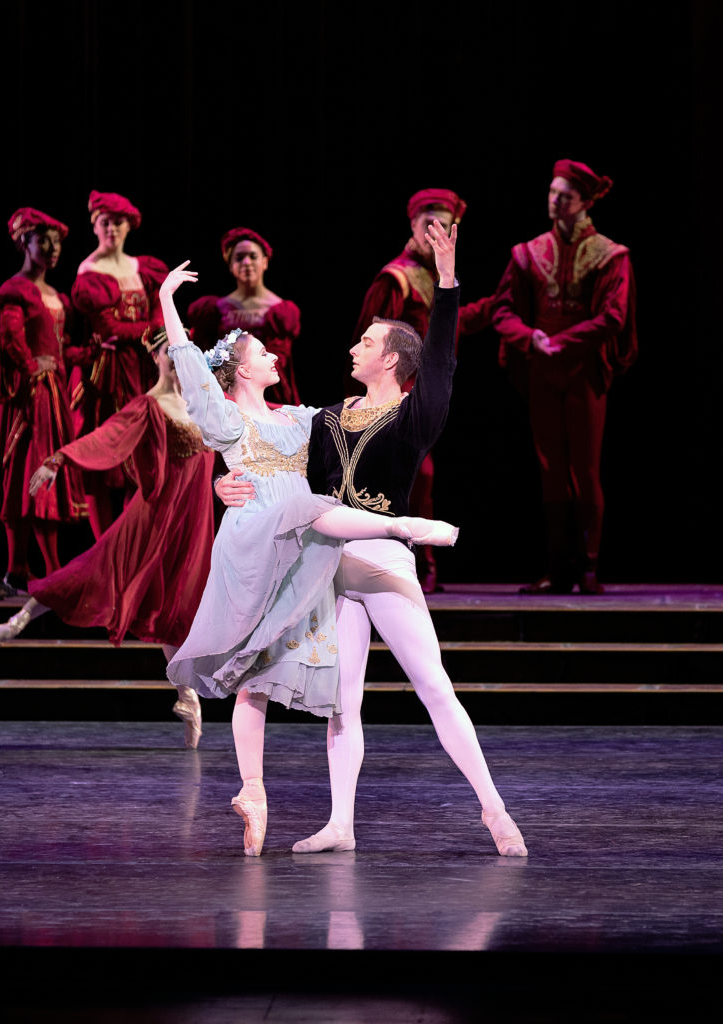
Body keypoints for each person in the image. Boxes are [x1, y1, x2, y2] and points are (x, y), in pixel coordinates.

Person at [218, 219, 528, 858]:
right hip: (330, 563)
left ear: (390, 358)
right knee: (342, 704)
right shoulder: (327, 416)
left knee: (435, 687)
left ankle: (495, 812)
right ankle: (341, 823)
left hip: (385, 561)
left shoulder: (415, 414)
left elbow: (441, 359)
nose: (353, 346)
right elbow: (277, 472)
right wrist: (230, 488)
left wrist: (447, 282)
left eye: (366, 341)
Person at [159, 254, 459, 857]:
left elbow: (341, 434)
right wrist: (167, 301)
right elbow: (191, 371)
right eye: (263, 354)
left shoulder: (300, 420)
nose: (275, 357)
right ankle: (402, 525)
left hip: (299, 550)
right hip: (257, 541)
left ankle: (255, 796)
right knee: (310, 509)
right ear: (240, 371)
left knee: (255, 678)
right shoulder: (225, 419)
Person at [0, 330, 217, 749]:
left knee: (175, 609)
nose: (178, 361)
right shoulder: (148, 406)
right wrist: (59, 459)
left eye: (185, 354)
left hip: (192, 526)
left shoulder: (207, 404)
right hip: (152, 520)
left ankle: (187, 698)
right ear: (156, 357)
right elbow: (107, 438)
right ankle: (16, 623)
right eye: (170, 354)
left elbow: (255, 417)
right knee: (89, 573)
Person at [463, 159, 637, 594]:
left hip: (583, 369)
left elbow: (614, 315)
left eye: (565, 195)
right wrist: (531, 339)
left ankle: (590, 566)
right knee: (551, 467)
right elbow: (503, 309)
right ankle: (560, 568)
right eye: (552, 192)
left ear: (585, 202)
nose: (555, 201)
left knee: (585, 466)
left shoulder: (610, 254)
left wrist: (565, 340)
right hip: (543, 366)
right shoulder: (529, 252)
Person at [349, 188, 467, 593]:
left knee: (423, 476)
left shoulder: (436, 274)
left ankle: (420, 559)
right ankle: (411, 556)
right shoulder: (396, 277)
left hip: (427, 390)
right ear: (413, 227)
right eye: (426, 225)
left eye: (442, 226)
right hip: (397, 394)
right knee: (415, 475)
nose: (433, 233)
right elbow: (370, 335)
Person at [0, 207, 87, 592]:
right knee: (24, 476)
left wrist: (83, 354)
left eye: (56, 241)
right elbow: (10, 338)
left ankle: (37, 567)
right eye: (42, 240)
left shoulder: (55, 295)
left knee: (46, 475)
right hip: (29, 397)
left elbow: (58, 348)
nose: (51, 247)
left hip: (53, 395)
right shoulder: (17, 291)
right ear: (23, 243)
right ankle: (27, 566)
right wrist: (32, 366)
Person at [70, 190, 170, 538]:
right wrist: (150, 331)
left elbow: (157, 311)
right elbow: (108, 327)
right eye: (105, 222)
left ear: (129, 227)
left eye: (118, 222)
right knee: (105, 452)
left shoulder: (142, 268)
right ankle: (103, 543)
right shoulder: (90, 270)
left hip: (145, 370)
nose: (112, 228)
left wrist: (158, 330)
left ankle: (130, 538)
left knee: (139, 455)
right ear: (95, 227)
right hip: (109, 373)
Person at [185, 227, 302, 406]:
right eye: (239, 258)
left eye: (253, 256)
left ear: (265, 262)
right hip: (227, 395)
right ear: (230, 265)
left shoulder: (281, 312)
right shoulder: (213, 309)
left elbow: (280, 360)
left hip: (270, 394)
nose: (246, 262)